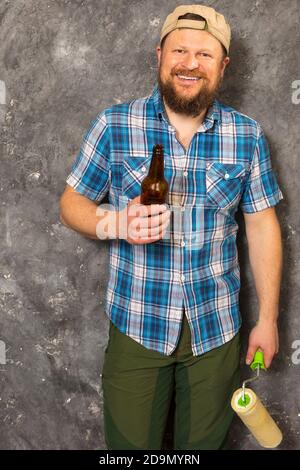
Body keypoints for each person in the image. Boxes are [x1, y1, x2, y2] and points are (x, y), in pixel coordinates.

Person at [59, 4, 284, 450]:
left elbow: (261, 225)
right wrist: (115, 223)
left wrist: (269, 319)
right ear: (159, 55)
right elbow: (71, 204)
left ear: (223, 66)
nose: (190, 63)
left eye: (204, 55)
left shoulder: (247, 135)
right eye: (180, 50)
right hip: (137, 324)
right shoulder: (115, 124)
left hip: (216, 328)